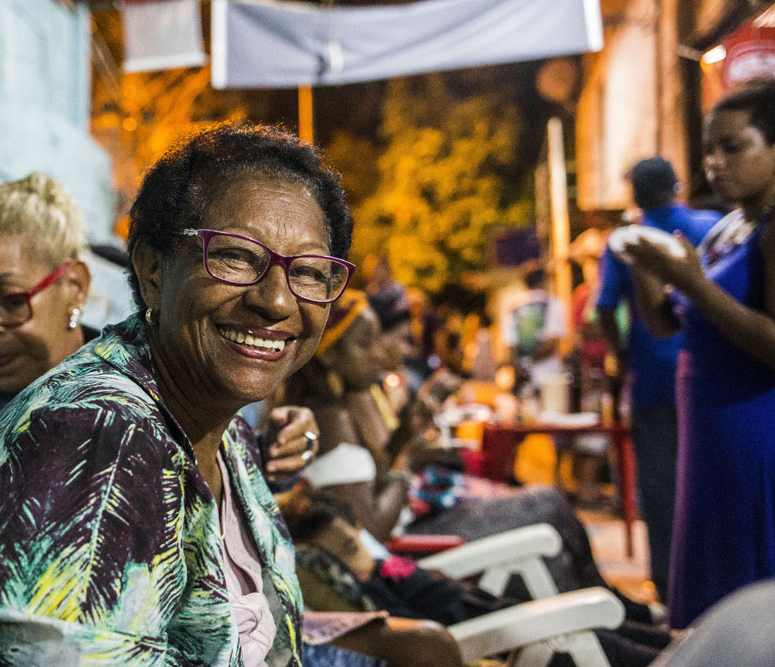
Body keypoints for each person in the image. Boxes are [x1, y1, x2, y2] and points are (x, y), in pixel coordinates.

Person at [0, 171, 322, 666]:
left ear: (75, 286)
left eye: (10, 299)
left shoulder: (154, 372)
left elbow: (207, 493)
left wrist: (271, 451)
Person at [0, 125, 358, 665]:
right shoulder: (95, 440)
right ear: (151, 271)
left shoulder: (217, 422)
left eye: (310, 271)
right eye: (236, 257)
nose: (277, 301)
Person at [284, 288, 663, 626]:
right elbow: (370, 528)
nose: (378, 355)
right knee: (548, 510)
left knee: (550, 511)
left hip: (412, 527)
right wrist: (406, 467)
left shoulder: (342, 406)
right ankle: (599, 626)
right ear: (329, 354)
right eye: (365, 344)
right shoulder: (329, 419)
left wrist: (412, 431)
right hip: (409, 544)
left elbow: (374, 475)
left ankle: (608, 617)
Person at [625, 79, 775, 627]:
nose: (715, 163)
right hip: (710, 441)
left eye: (733, 147)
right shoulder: (727, 225)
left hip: (757, 440)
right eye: (709, 151)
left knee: (753, 612)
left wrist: (692, 283)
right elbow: (668, 322)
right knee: (713, 606)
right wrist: (652, 272)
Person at [281, 486, 669, 667]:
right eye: (351, 552)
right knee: (583, 638)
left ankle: (672, 643)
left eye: (359, 542)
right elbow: (420, 629)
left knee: (584, 628)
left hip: (485, 610)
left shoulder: (383, 569)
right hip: (487, 636)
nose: (364, 557)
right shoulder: (371, 589)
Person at [596, 157, 720, 601]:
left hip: (651, 377)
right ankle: (715, 578)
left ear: (635, 196)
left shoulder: (626, 242)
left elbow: (605, 308)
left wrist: (621, 356)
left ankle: (671, 583)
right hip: (714, 371)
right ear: (679, 184)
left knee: (662, 485)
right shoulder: (713, 226)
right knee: (711, 475)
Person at [501, 265, 567, 396]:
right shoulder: (552, 303)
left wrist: (522, 365)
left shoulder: (513, 306)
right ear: (544, 280)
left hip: (524, 377)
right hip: (550, 376)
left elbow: (510, 345)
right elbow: (553, 341)